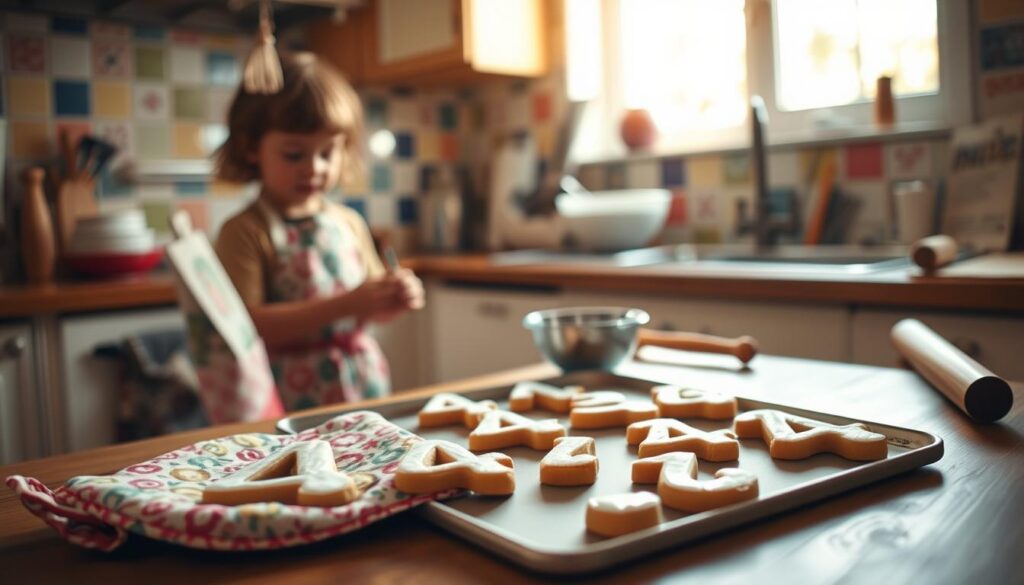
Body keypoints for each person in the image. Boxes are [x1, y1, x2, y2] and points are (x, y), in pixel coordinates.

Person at [213, 52, 423, 410]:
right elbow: (248, 326)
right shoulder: (245, 231)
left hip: (364, 385)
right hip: (290, 396)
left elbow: (372, 308)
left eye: (327, 153)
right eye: (294, 154)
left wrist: (398, 296)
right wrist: (349, 303)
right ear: (251, 148)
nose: (314, 168)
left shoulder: (348, 222)